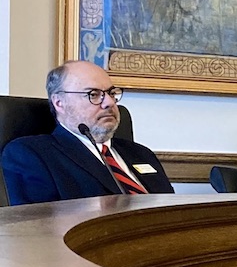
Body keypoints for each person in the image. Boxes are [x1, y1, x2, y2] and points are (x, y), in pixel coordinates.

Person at [1, 61, 174, 204]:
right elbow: (37, 224)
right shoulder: (31, 154)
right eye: (93, 94)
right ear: (59, 103)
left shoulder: (141, 153)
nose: (109, 102)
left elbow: (169, 209)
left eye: (111, 93)